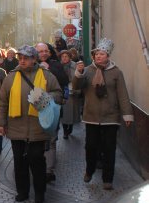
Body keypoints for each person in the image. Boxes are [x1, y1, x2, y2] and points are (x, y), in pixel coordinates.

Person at [0, 45, 62, 203]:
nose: (22, 60)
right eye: (21, 58)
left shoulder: (46, 75)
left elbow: (59, 94)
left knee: (37, 160)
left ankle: (39, 192)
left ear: (34, 59)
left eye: (26, 58)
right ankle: (22, 191)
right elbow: (2, 100)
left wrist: (44, 97)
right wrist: (0, 122)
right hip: (16, 126)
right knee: (19, 161)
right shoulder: (11, 76)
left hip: (39, 126)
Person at [73, 38, 133, 190]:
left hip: (110, 117)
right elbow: (76, 87)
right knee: (90, 146)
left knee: (109, 149)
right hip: (91, 116)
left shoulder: (116, 72)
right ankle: (89, 170)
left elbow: (123, 95)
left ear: (108, 56)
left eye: (101, 54)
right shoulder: (87, 70)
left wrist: (127, 115)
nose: (98, 56)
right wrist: (78, 74)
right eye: (96, 54)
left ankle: (108, 179)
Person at [36, 42, 69, 184]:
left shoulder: (55, 65)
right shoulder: (31, 66)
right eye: (40, 51)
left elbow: (64, 81)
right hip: (34, 109)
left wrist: (49, 69)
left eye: (45, 51)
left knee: (51, 140)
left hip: (52, 108)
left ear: (49, 52)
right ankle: (37, 167)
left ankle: (49, 170)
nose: (43, 54)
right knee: (36, 140)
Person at [59, 50, 80, 139]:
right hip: (62, 91)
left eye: (66, 56)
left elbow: (79, 77)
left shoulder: (74, 65)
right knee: (64, 113)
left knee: (72, 113)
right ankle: (65, 131)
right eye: (63, 56)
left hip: (72, 91)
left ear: (69, 57)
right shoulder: (58, 66)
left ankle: (70, 127)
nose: (64, 58)